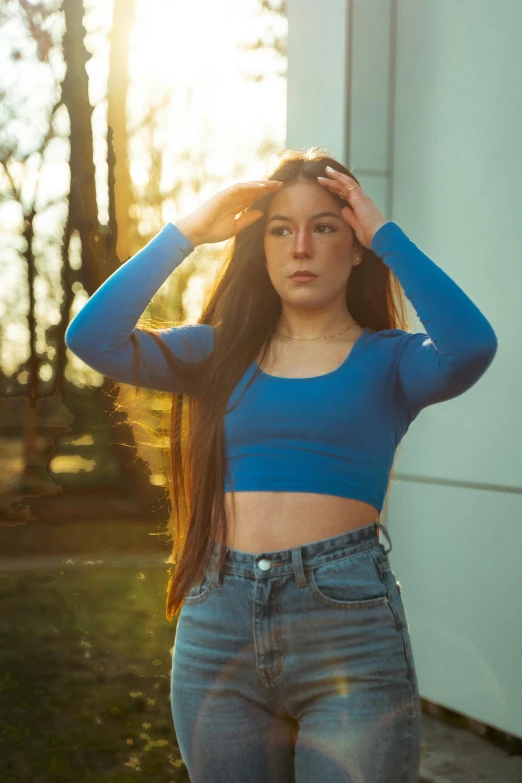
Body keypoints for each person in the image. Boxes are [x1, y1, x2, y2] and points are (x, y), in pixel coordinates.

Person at [65, 148, 498, 782]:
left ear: (355, 249)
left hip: (346, 627)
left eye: (325, 226)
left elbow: (472, 345)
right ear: (260, 248)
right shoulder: (216, 353)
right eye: (279, 229)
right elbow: (92, 338)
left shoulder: (393, 361)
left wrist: (386, 234)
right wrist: (185, 232)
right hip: (218, 624)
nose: (300, 247)